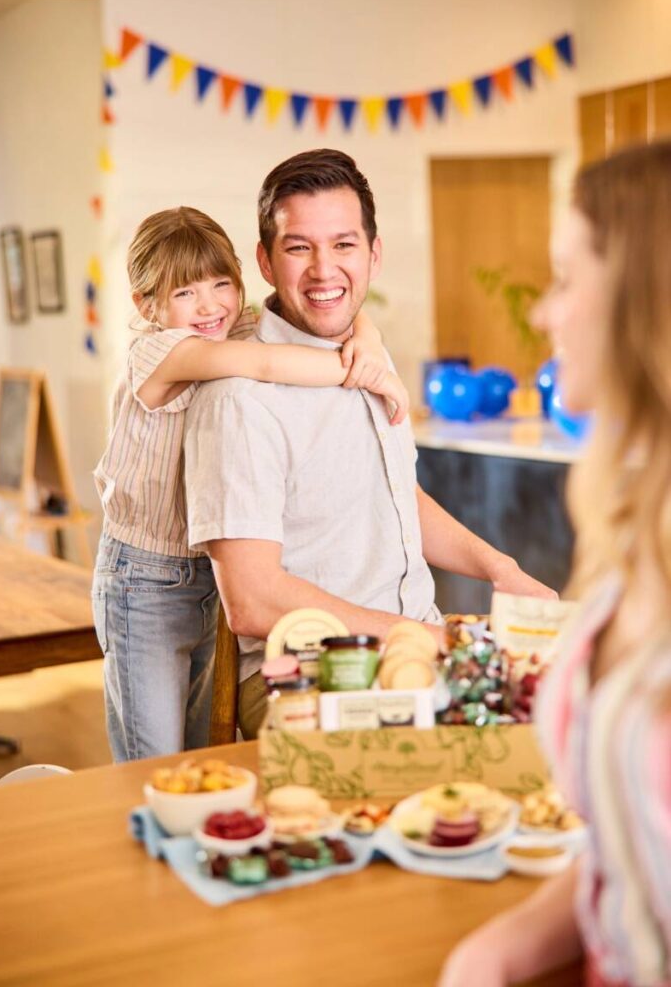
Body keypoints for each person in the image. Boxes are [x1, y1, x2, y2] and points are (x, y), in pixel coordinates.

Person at [183, 149, 555, 740]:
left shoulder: (365, 356)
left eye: (344, 245)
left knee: (569, 726)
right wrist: (427, 638)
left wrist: (499, 568)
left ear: (374, 255)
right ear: (265, 261)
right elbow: (251, 599)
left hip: (414, 646)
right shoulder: (240, 400)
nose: (323, 270)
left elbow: (394, 494)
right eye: (299, 247)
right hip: (307, 674)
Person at [439, 141, 671, 987]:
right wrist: (503, 950)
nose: (543, 314)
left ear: (644, 299)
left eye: (566, 279)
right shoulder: (629, 535)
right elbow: (625, 848)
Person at [92, 205, 408, 762]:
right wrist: (370, 373)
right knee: (153, 757)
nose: (210, 305)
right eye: (185, 293)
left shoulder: (223, 326)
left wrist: (369, 331)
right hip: (141, 580)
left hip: (204, 573)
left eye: (222, 284)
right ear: (146, 305)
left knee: (196, 752)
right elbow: (265, 366)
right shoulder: (159, 350)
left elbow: (308, 327)